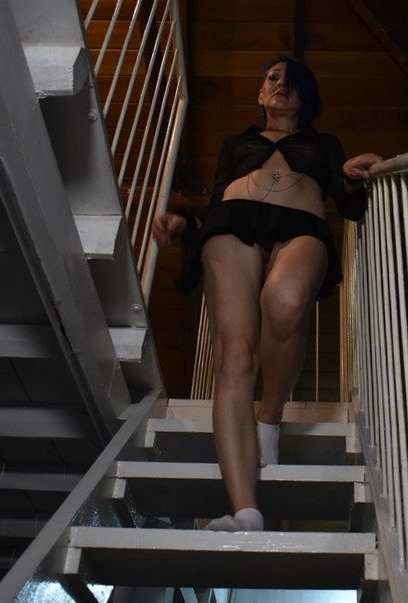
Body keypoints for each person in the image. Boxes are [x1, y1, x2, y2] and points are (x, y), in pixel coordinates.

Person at [152, 55, 382, 532]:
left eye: (291, 79)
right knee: (235, 356)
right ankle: (246, 512)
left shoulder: (324, 144)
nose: (280, 84)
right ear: (260, 94)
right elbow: (217, 198)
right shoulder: (236, 143)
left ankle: (269, 417)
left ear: (305, 96)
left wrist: (352, 175)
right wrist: (186, 224)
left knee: (284, 302)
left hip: (302, 228)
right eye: (272, 78)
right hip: (231, 225)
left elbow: (351, 207)